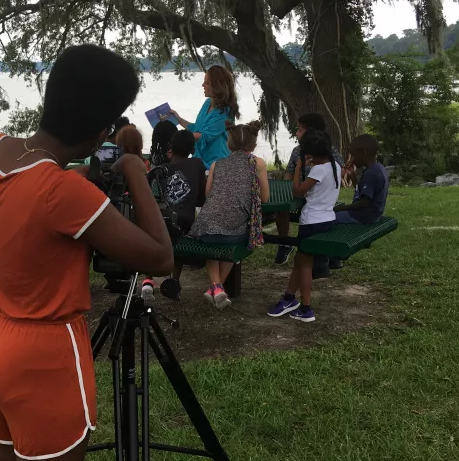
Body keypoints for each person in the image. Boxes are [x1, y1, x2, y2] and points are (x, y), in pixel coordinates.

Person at [0, 44, 173, 461]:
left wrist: (89, 173)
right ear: (102, 128)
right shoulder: (63, 193)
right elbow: (160, 256)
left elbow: (37, 186)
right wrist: (134, 171)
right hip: (44, 359)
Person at [186, 120, 270, 310]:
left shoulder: (217, 164)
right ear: (254, 145)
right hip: (234, 229)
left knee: (213, 244)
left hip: (206, 224)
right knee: (230, 240)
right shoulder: (258, 163)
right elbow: (264, 197)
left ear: (228, 143)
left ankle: (216, 287)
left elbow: (208, 195)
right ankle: (216, 287)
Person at [267, 129, 341, 323]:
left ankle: (306, 307)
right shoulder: (335, 167)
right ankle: (289, 298)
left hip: (312, 222)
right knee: (301, 261)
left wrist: (299, 167)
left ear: (312, 154)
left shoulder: (318, 170)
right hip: (327, 219)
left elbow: (298, 191)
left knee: (304, 264)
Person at [140, 129, 207, 302]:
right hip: (184, 222)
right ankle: (174, 282)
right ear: (192, 150)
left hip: (160, 220)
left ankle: (147, 281)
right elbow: (202, 196)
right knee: (177, 236)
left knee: (162, 231)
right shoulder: (197, 164)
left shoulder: (162, 169)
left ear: (171, 149)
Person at [272, 113, 344, 268]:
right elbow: (289, 173)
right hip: (305, 193)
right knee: (281, 210)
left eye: (299, 130)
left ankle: (327, 255)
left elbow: (336, 172)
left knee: (304, 261)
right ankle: (284, 243)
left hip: (315, 198)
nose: (296, 133)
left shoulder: (329, 151)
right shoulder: (297, 151)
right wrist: (286, 188)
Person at [328, 134, 389, 269]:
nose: (352, 159)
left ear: (364, 153)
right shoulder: (378, 168)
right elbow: (364, 192)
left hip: (362, 216)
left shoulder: (371, 174)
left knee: (326, 219)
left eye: (354, 155)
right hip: (372, 214)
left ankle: (328, 260)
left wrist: (341, 208)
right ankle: (333, 258)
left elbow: (364, 203)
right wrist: (353, 177)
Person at [168, 66, 240, 170]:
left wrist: (179, 138)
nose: (202, 85)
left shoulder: (225, 111)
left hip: (217, 164)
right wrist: (178, 118)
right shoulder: (208, 103)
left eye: (206, 83)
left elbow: (205, 136)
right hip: (199, 160)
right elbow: (196, 128)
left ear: (217, 86)